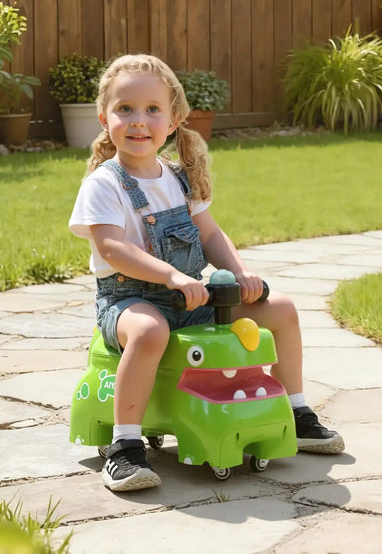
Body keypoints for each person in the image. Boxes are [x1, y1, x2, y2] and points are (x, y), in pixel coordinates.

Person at [69, 54, 344, 492]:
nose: (139, 121)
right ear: (105, 118)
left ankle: (296, 411)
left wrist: (238, 273)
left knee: (281, 309)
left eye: (153, 110)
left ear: (174, 120)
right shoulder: (104, 184)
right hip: (129, 300)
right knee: (148, 331)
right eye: (126, 109)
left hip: (193, 300)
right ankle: (124, 446)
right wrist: (172, 277)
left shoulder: (178, 178)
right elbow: (112, 248)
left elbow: (212, 235)